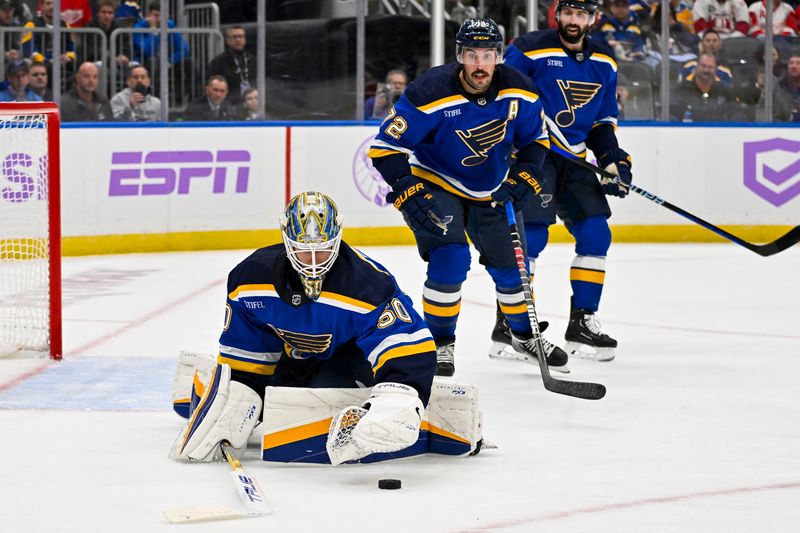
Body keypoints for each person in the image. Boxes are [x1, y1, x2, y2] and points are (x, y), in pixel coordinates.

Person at [171, 191, 436, 463]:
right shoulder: (249, 278)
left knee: (321, 395)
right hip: (290, 360)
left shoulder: (367, 284)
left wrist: (399, 394)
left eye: (321, 251)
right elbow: (247, 353)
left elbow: (407, 344)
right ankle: (198, 387)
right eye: (302, 250)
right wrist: (241, 392)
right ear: (286, 240)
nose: (312, 261)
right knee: (251, 400)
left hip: (348, 361)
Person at [369, 18, 566, 377]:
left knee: (511, 270)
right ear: (460, 55)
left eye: (488, 55)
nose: (479, 63)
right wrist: (406, 188)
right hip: (436, 180)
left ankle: (522, 336)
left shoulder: (519, 90)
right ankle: (441, 345)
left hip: (490, 187)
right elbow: (384, 148)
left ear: (499, 57)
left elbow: (536, 141)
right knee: (450, 259)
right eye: (472, 54)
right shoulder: (429, 92)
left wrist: (525, 175)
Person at [503, 0, 632, 362]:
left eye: (582, 15)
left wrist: (611, 159)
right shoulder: (529, 49)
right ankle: (510, 326)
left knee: (596, 233)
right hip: (533, 155)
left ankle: (582, 322)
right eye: (569, 14)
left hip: (574, 160)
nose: (574, 21)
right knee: (533, 237)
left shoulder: (604, 62)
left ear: (593, 19)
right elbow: (505, 96)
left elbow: (602, 123)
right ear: (557, 15)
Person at [671, 52, 741, 121]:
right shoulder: (682, 88)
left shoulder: (725, 90)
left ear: (715, 69)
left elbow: (737, 114)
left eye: (710, 67)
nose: (706, 70)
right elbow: (672, 114)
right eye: (703, 66)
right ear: (697, 66)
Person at [206, 25, 255, 105]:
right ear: (228, 41)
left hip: (252, 102)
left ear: (245, 40)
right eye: (234, 37)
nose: (238, 39)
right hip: (229, 104)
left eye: (240, 36)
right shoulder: (218, 62)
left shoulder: (253, 60)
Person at [21, 0, 77, 66]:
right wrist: (47, 61)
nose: (52, 7)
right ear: (41, 6)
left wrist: (68, 57)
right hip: (39, 66)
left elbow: (73, 50)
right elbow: (29, 51)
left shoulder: (65, 26)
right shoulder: (30, 25)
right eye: (48, 4)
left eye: (54, 4)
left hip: (62, 67)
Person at [85, 0, 132, 71]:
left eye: (110, 13)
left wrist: (124, 56)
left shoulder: (120, 29)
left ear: (114, 15)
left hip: (117, 64)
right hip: (94, 64)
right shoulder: (90, 28)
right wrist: (113, 59)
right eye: (103, 12)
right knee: (100, 65)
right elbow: (92, 54)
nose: (106, 16)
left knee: (136, 66)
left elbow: (126, 49)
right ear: (98, 13)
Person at [765, 50, 800, 122]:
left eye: (798, 63)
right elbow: (764, 113)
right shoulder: (774, 87)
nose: (794, 66)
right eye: (791, 63)